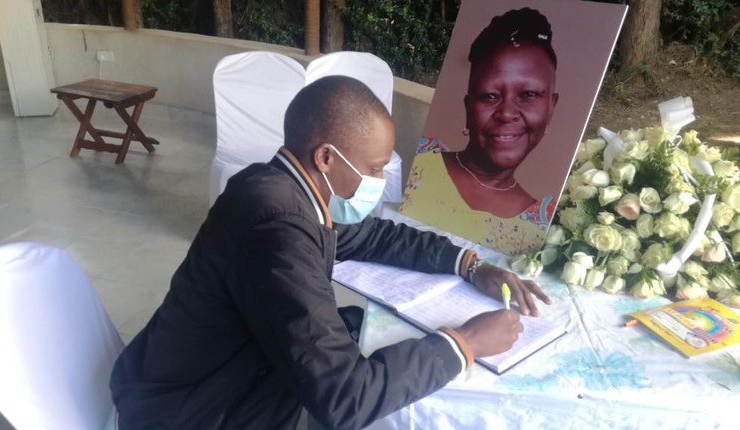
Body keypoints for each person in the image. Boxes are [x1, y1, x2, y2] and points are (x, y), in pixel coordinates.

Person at [109, 76, 551, 430]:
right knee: (387, 371)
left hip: (223, 373)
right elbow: (345, 397)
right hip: (192, 411)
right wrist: (466, 343)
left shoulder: (281, 188)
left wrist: (470, 266)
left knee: (368, 333)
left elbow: (372, 236)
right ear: (327, 158)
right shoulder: (277, 228)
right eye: (376, 168)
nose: (379, 179)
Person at [400, 8, 560, 256]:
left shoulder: (540, 224)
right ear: (468, 106)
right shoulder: (424, 163)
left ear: (551, 107)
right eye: (490, 96)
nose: (507, 113)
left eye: (528, 95)